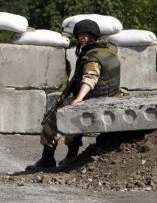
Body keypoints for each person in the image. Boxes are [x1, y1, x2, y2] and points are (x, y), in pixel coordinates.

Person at [26, 19, 121, 171]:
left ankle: (47, 159)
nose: (82, 38)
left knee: (53, 120)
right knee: (70, 116)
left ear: (94, 36)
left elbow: (90, 79)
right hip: (108, 96)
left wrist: (77, 99)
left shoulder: (93, 57)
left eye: (86, 35)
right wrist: (65, 94)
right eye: (80, 35)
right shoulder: (106, 50)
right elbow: (76, 78)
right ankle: (70, 157)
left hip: (93, 98)